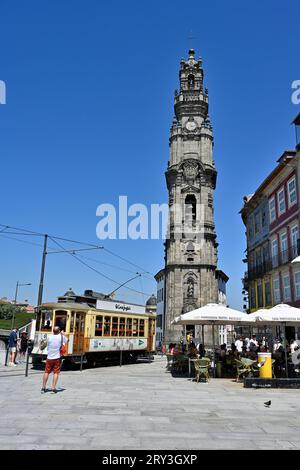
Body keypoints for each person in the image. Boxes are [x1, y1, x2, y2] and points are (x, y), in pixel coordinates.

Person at [41, 326, 68, 394]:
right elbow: (67, 341)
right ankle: (53, 388)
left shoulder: (49, 337)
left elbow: (45, 345)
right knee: (56, 373)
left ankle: (43, 388)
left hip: (49, 357)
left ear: (53, 331)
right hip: (57, 358)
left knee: (46, 372)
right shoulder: (61, 337)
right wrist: (63, 334)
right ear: (59, 331)